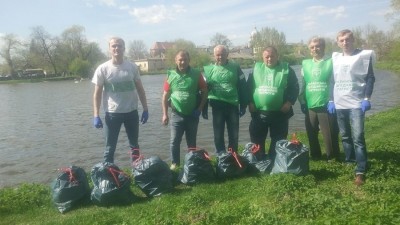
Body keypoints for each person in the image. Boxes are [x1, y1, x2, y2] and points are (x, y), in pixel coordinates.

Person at [328, 29, 375, 186]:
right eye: (342, 40)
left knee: (358, 137)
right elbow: (331, 80)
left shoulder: (362, 56)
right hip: (340, 103)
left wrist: (367, 98)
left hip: (356, 103)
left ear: (353, 40)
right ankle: (349, 160)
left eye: (347, 39)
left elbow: (370, 78)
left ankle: (360, 169)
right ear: (338, 42)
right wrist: (331, 100)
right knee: (345, 136)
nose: (345, 43)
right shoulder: (335, 58)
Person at [92, 37, 149, 163]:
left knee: (134, 146)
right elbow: (96, 95)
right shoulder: (102, 68)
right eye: (114, 46)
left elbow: (140, 90)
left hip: (131, 112)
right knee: (109, 148)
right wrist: (96, 115)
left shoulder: (132, 67)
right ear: (109, 49)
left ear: (124, 48)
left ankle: (137, 171)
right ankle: (107, 174)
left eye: (119, 45)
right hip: (112, 114)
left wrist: (145, 109)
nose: (116, 48)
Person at [248, 46, 299, 159]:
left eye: (272, 56)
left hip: (280, 112)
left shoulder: (286, 69)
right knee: (257, 138)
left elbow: (294, 87)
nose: (269, 59)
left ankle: (274, 159)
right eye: (267, 57)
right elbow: (248, 87)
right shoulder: (256, 69)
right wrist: (250, 102)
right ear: (262, 57)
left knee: (279, 139)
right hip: (259, 112)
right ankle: (258, 160)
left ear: (277, 56)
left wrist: (289, 102)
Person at [161, 50, 208, 170]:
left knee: (191, 142)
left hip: (193, 114)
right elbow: (165, 96)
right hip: (176, 114)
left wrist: (200, 108)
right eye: (180, 60)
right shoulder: (170, 75)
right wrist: (165, 114)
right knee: (174, 142)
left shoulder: (197, 74)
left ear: (189, 60)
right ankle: (175, 164)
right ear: (175, 61)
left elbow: (205, 92)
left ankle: (191, 163)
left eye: (185, 60)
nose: (182, 62)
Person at [298, 37, 340, 161]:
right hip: (310, 103)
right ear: (309, 49)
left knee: (329, 134)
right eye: (312, 47)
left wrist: (333, 100)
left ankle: (332, 157)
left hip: (326, 103)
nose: (315, 49)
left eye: (318, 46)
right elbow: (304, 84)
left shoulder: (331, 62)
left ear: (323, 47)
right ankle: (315, 156)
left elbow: (335, 82)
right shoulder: (305, 64)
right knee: (311, 132)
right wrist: (302, 100)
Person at [202, 45, 248, 154]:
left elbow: (243, 86)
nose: (220, 57)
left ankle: (233, 155)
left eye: (222, 54)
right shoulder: (209, 70)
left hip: (232, 106)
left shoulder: (236, 67)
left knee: (234, 134)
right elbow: (204, 90)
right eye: (218, 55)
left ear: (227, 55)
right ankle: (220, 156)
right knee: (218, 135)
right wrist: (204, 108)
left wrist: (244, 104)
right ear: (214, 56)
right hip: (217, 106)